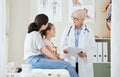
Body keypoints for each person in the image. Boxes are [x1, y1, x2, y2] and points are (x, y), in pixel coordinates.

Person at [60, 9, 96, 77]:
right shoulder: (68, 30)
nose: (73, 20)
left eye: (76, 19)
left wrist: (86, 55)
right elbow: (63, 43)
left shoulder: (89, 31)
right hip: (71, 60)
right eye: (73, 18)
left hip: (83, 62)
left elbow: (93, 47)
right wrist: (64, 50)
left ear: (82, 19)